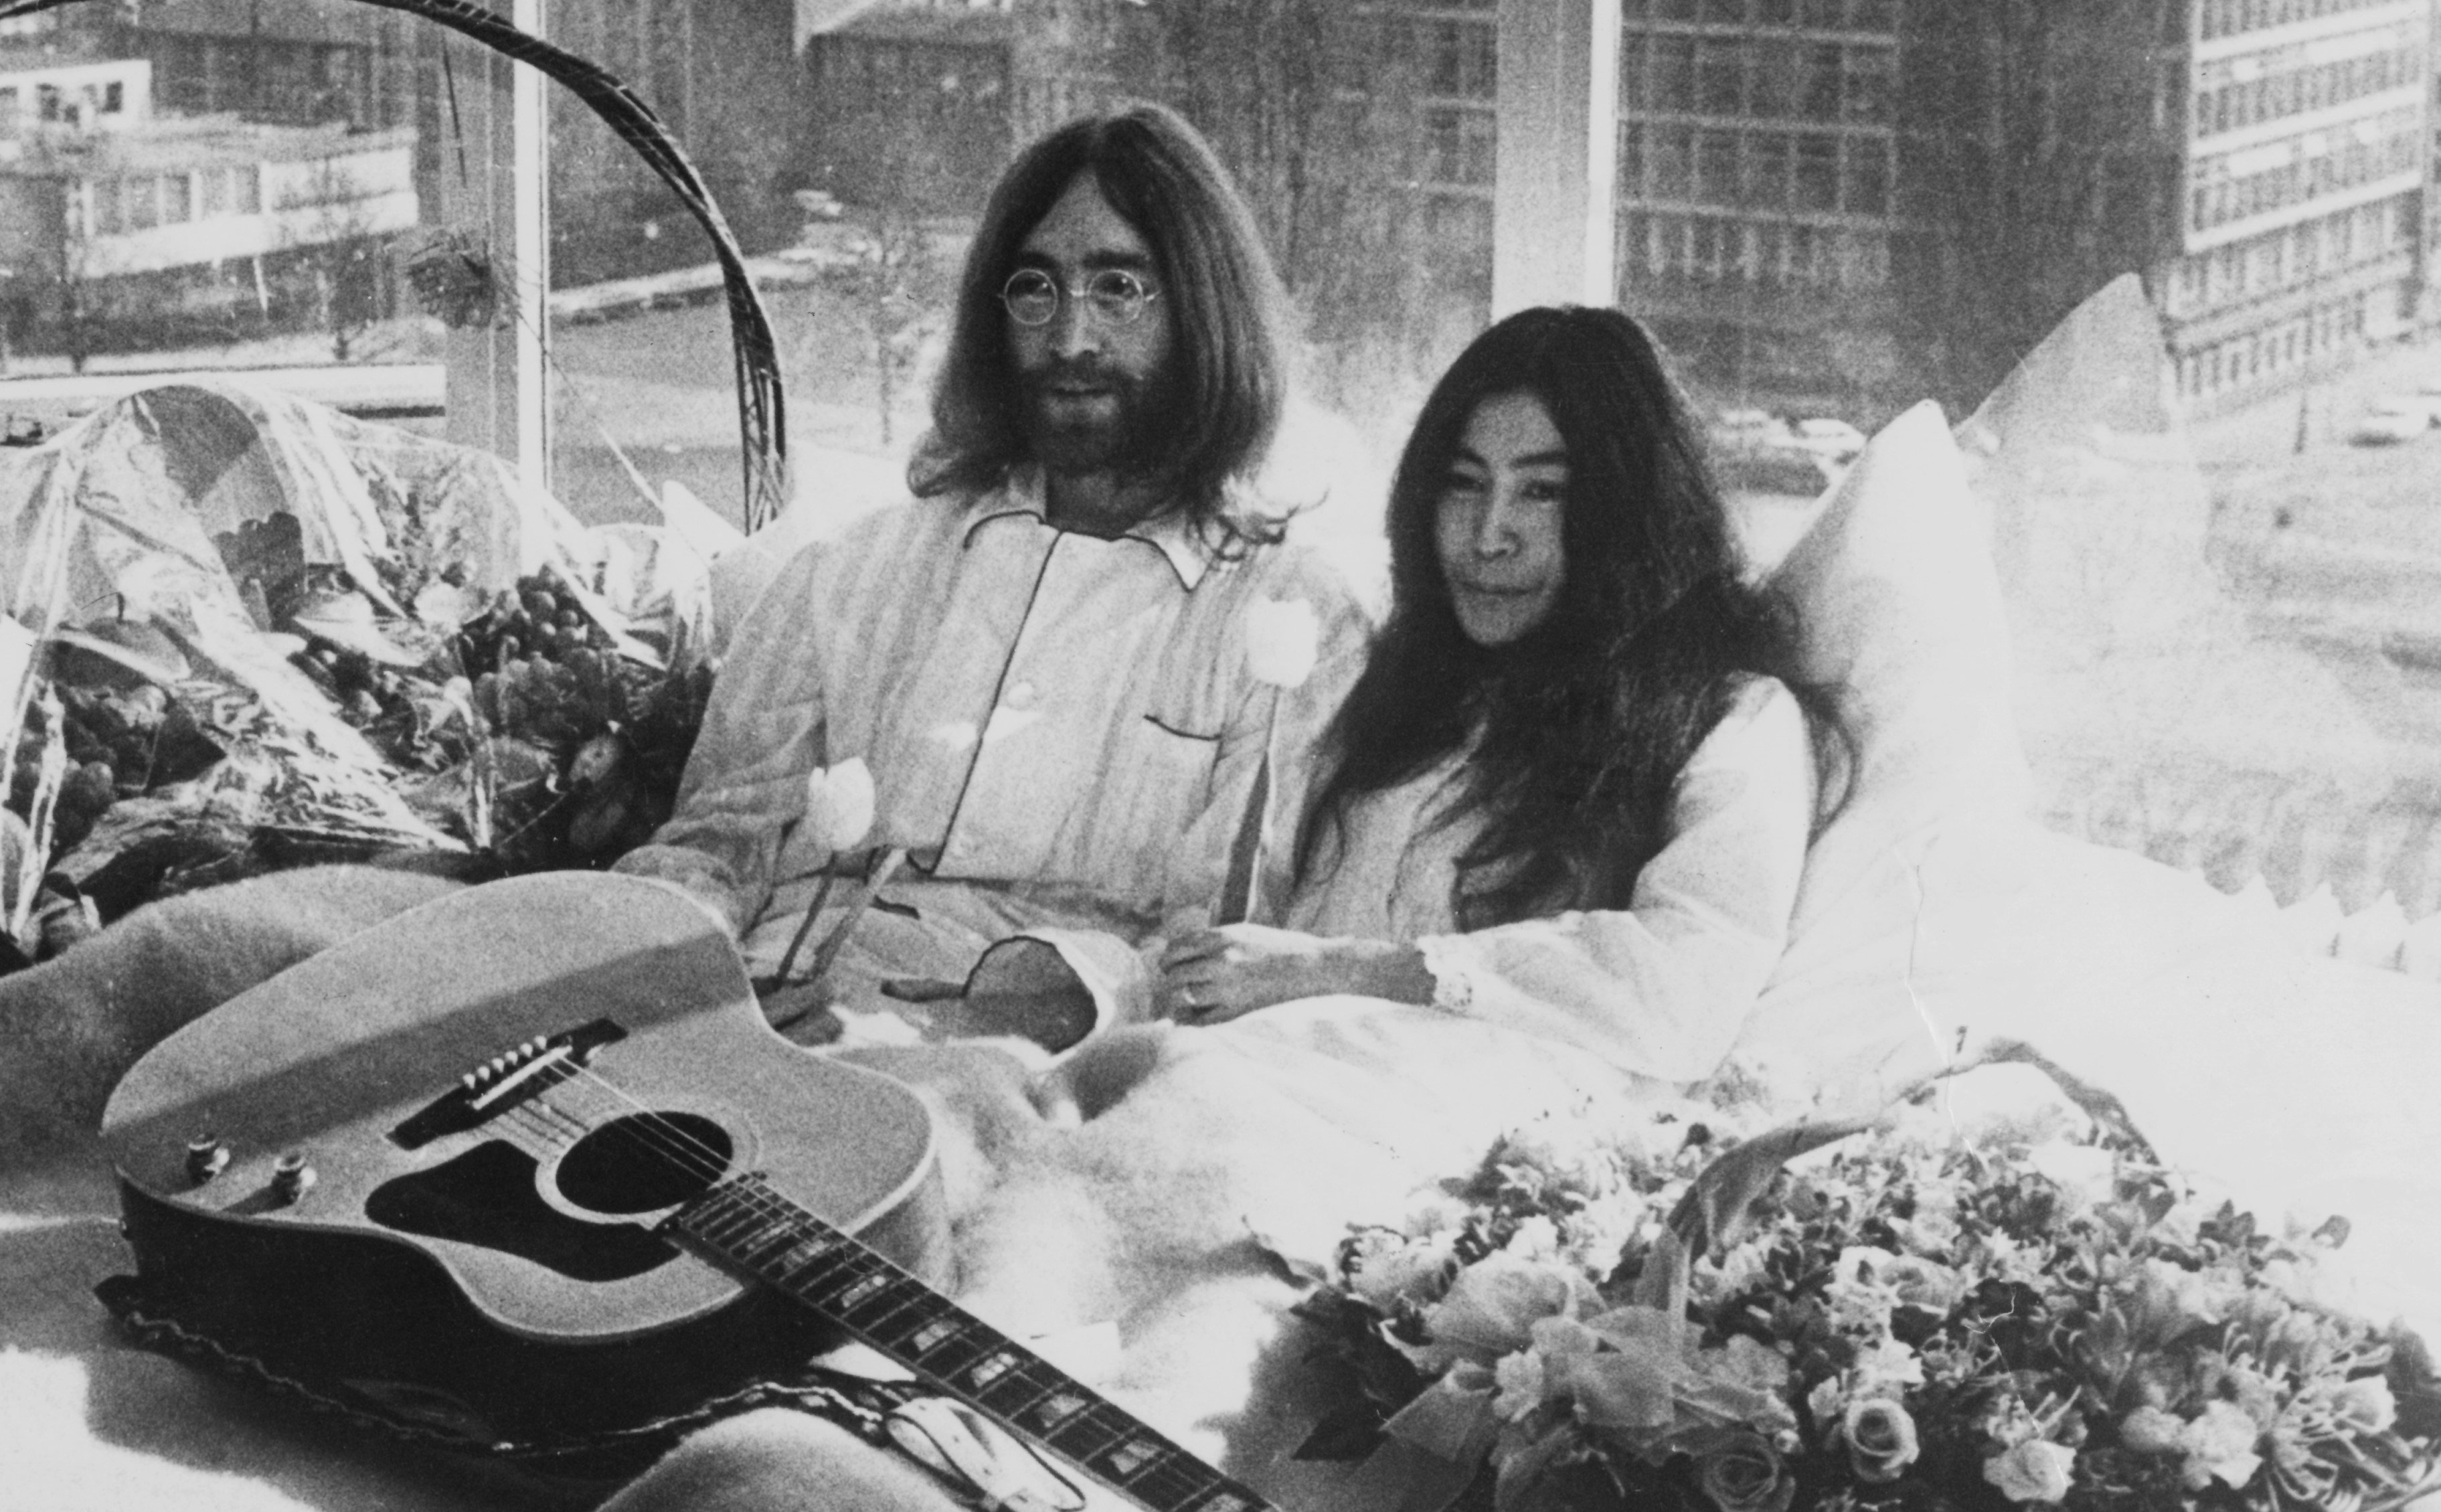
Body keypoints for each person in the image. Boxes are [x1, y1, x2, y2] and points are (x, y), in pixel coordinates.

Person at [612, 103, 1367, 1045]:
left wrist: (966, 1020)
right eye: (1035, 288)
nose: (1068, 339)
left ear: (1204, 313)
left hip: (1047, 1061)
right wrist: (674, 971)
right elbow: (716, 840)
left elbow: (1228, 959)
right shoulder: (854, 569)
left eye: (1119, 287)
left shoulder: (1291, 618)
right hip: (760, 1005)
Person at [1155, 304, 1837, 1084]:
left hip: (1446, 1139)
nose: (1487, 535)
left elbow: (1678, 993)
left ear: (1628, 509)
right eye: (1463, 485)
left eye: (1541, 493)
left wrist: (1338, 970)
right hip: (1252, 1083)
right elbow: (1224, 921)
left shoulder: (1729, 722)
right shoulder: (1383, 691)